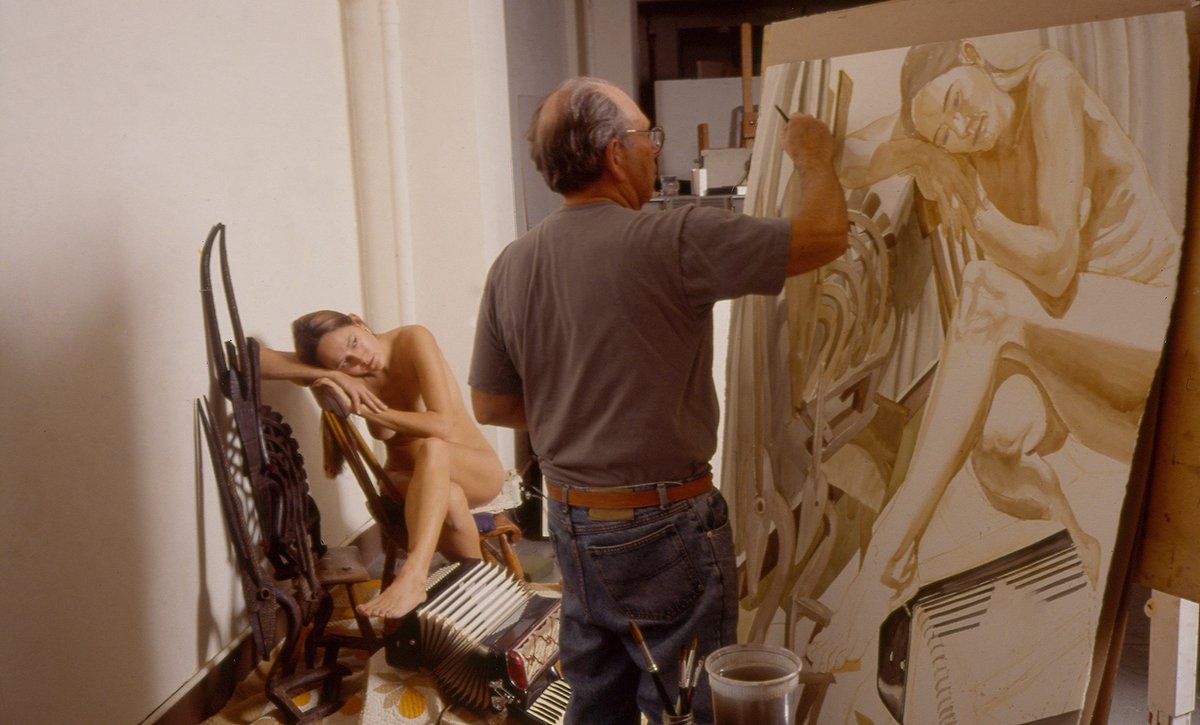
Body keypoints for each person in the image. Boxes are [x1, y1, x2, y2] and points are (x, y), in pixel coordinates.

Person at [468, 76, 848, 724]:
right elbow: (823, 236)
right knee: (686, 705)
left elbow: (491, 403)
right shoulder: (671, 241)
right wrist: (815, 156)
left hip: (572, 520)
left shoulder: (512, 263)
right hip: (663, 525)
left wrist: (579, 410)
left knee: (596, 700)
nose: (656, 152)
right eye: (650, 137)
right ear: (615, 154)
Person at [806, 39, 1180, 673]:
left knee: (983, 290)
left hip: (1149, 327)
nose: (960, 127)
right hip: (1071, 339)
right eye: (943, 130)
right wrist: (919, 149)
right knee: (995, 439)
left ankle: (884, 568)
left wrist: (965, 199)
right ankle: (1082, 542)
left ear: (974, 57)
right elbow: (845, 158)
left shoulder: (1050, 84)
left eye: (955, 100)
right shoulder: (946, 131)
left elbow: (1056, 266)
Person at [258, 311, 506, 620]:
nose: (359, 360)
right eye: (344, 361)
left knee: (433, 447)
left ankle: (415, 574)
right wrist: (336, 376)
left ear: (358, 321)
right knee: (450, 498)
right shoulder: (342, 371)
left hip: (473, 468)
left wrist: (366, 411)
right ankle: (482, 598)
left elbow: (440, 425)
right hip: (406, 478)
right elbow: (250, 359)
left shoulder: (412, 339)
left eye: (355, 342)